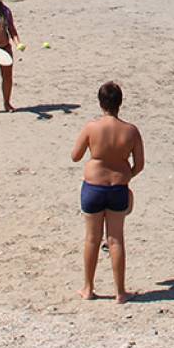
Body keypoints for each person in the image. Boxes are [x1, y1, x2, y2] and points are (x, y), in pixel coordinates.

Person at [72, 80, 143, 301]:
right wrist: (125, 175)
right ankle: (120, 292)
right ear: (120, 102)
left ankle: (88, 288)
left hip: (93, 186)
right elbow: (139, 164)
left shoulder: (92, 127)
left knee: (92, 239)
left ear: (100, 103)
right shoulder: (131, 131)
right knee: (116, 240)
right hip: (117, 187)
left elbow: (75, 156)